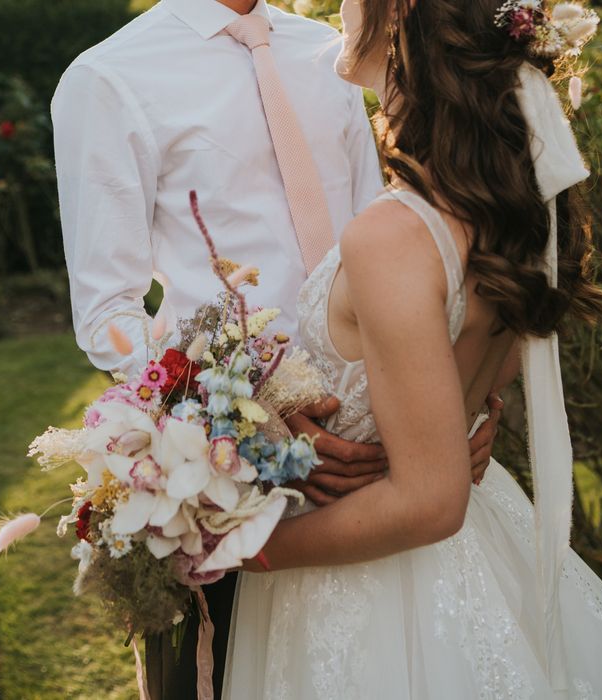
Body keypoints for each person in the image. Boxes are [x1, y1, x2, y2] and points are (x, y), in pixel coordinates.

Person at [223, 0, 602, 698]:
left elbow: (430, 499)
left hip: (370, 583)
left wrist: (251, 550)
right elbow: (464, 389)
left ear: (402, 16)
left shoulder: (396, 236)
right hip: (478, 537)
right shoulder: (510, 215)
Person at [50, 0, 502, 697]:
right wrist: (244, 411)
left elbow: (390, 248)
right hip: (236, 467)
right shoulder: (109, 77)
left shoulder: (336, 54)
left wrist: (460, 400)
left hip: (384, 447)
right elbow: (108, 314)